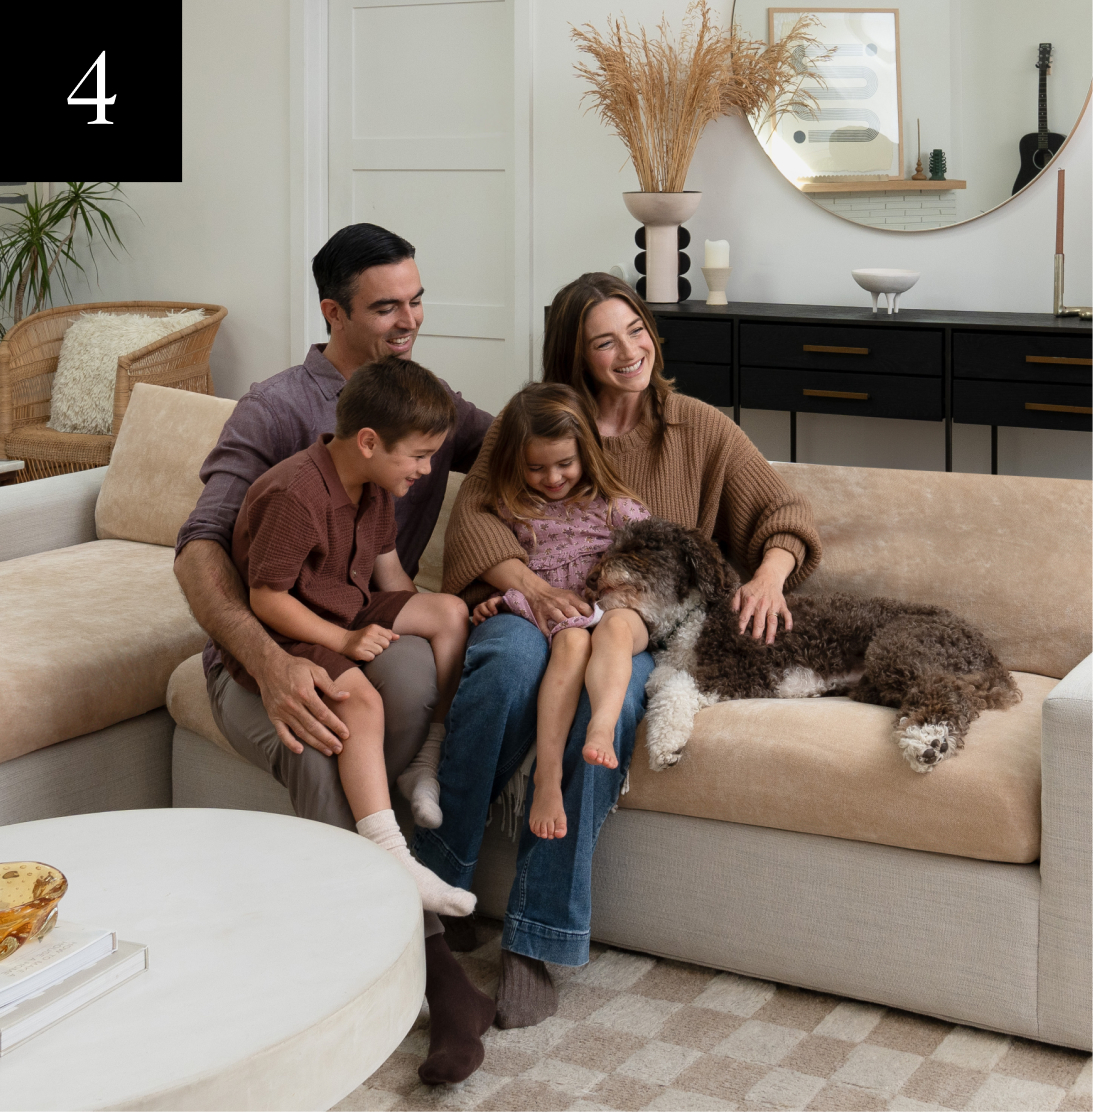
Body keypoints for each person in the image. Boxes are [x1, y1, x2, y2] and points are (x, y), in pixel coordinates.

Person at [415, 272, 823, 1030]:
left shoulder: (697, 428)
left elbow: (781, 510)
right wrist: (533, 588)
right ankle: (440, 890)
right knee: (504, 671)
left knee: (608, 711)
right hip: (530, 603)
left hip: (625, 624)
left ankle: (536, 939)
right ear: (576, 353)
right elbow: (475, 518)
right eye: (605, 341)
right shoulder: (536, 416)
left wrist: (770, 574)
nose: (630, 351)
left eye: (635, 330)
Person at [174, 223, 496, 1084]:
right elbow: (200, 548)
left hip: (353, 624)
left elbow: (521, 451)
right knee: (319, 735)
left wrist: (624, 419)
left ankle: (374, 896)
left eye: (417, 300)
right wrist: (271, 662)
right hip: (267, 645)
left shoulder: (419, 401)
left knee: (411, 670)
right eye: (386, 307)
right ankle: (434, 972)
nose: (410, 319)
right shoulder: (277, 411)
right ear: (333, 312)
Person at [224, 358, 476, 915]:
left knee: (450, 613)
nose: (428, 469)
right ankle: (392, 853)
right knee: (360, 700)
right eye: (419, 455)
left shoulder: (374, 483)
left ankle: (426, 758)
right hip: (289, 628)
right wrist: (344, 644)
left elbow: (389, 574)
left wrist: (418, 615)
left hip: (345, 607)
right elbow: (266, 599)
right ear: (368, 441)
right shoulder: (295, 494)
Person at [468, 382, 650, 840]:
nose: (552, 478)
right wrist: (493, 600)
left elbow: (658, 554)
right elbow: (498, 565)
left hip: (619, 609)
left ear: (586, 452)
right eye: (536, 467)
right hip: (561, 616)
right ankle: (547, 777)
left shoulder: (616, 507)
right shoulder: (514, 510)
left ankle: (602, 726)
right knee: (571, 641)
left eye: (565, 463)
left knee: (615, 629)